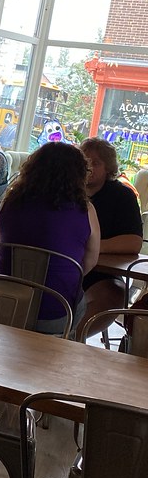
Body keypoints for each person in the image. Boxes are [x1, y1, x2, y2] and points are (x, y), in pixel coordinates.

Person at [0, 143, 100, 334]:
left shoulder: (10, 201)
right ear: (80, 174)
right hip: (57, 310)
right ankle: (64, 347)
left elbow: (1, 243)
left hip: (5, 304)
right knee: (79, 299)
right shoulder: (85, 210)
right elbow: (89, 262)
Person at [79, 137, 143, 337]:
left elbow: (134, 242)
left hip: (101, 273)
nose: (89, 167)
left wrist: (93, 246)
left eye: (96, 163)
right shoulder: (65, 190)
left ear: (108, 168)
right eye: (85, 161)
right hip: (62, 266)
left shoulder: (122, 196)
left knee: (114, 293)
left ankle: (70, 338)